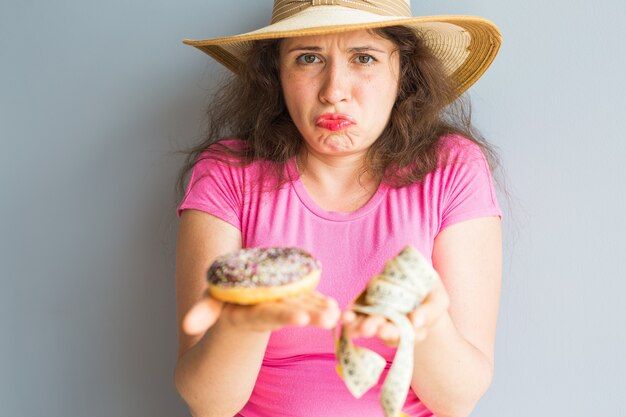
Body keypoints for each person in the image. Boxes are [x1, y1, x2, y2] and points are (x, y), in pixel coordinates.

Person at [174, 1, 503, 416]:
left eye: (364, 58)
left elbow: (459, 400)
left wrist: (427, 323)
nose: (333, 91)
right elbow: (206, 403)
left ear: (404, 72)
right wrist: (244, 323)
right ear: (277, 73)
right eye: (308, 58)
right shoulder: (227, 173)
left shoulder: (452, 168)